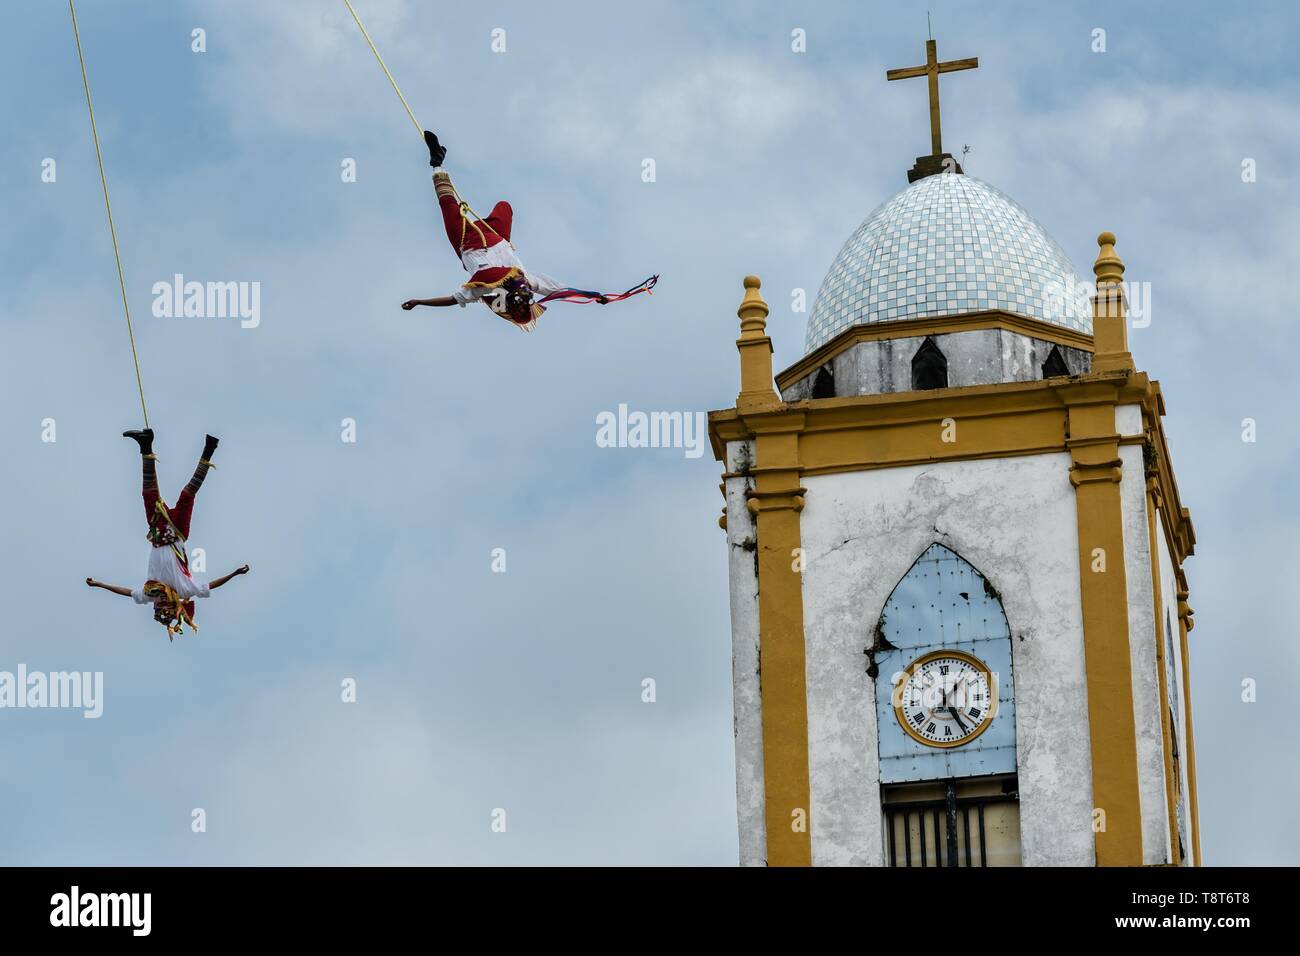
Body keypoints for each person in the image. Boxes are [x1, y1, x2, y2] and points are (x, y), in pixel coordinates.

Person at [401, 131, 656, 331]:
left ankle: (437, 162)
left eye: (521, 296)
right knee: (505, 207)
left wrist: (419, 302)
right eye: (527, 295)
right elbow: (559, 290)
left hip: (467, 240)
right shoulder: (528, 280)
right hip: (496, 236)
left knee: (447, 203)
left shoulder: (482, 288)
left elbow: (454, 300)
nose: (525, 291)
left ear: (512, 299)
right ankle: (440, 163)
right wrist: (596, 296)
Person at [85, 428, 249, 638]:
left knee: (148, 493)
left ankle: (146, 445)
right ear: (173, 605)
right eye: (163, 607)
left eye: (157, 607)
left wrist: (99, 584)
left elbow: (126, 592)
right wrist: (235, 574)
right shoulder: (184, 590)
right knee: (187, 494)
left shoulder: (149, 593)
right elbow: (211, 586)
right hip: (177, 531)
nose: (159, 603)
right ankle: (209, 450)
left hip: (158, 530)